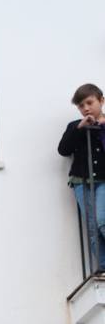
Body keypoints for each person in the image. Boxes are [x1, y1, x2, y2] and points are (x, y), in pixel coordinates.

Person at [57, 83, 105, 273]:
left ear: (101, 100)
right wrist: (79, 128)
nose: (85, 108)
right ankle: (103, 267)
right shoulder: (74, 126)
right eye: (81, 105)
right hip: (81, 182)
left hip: (103, 180)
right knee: (93, 228)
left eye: (89, 102)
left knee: (102, 220)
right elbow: (63, 150)